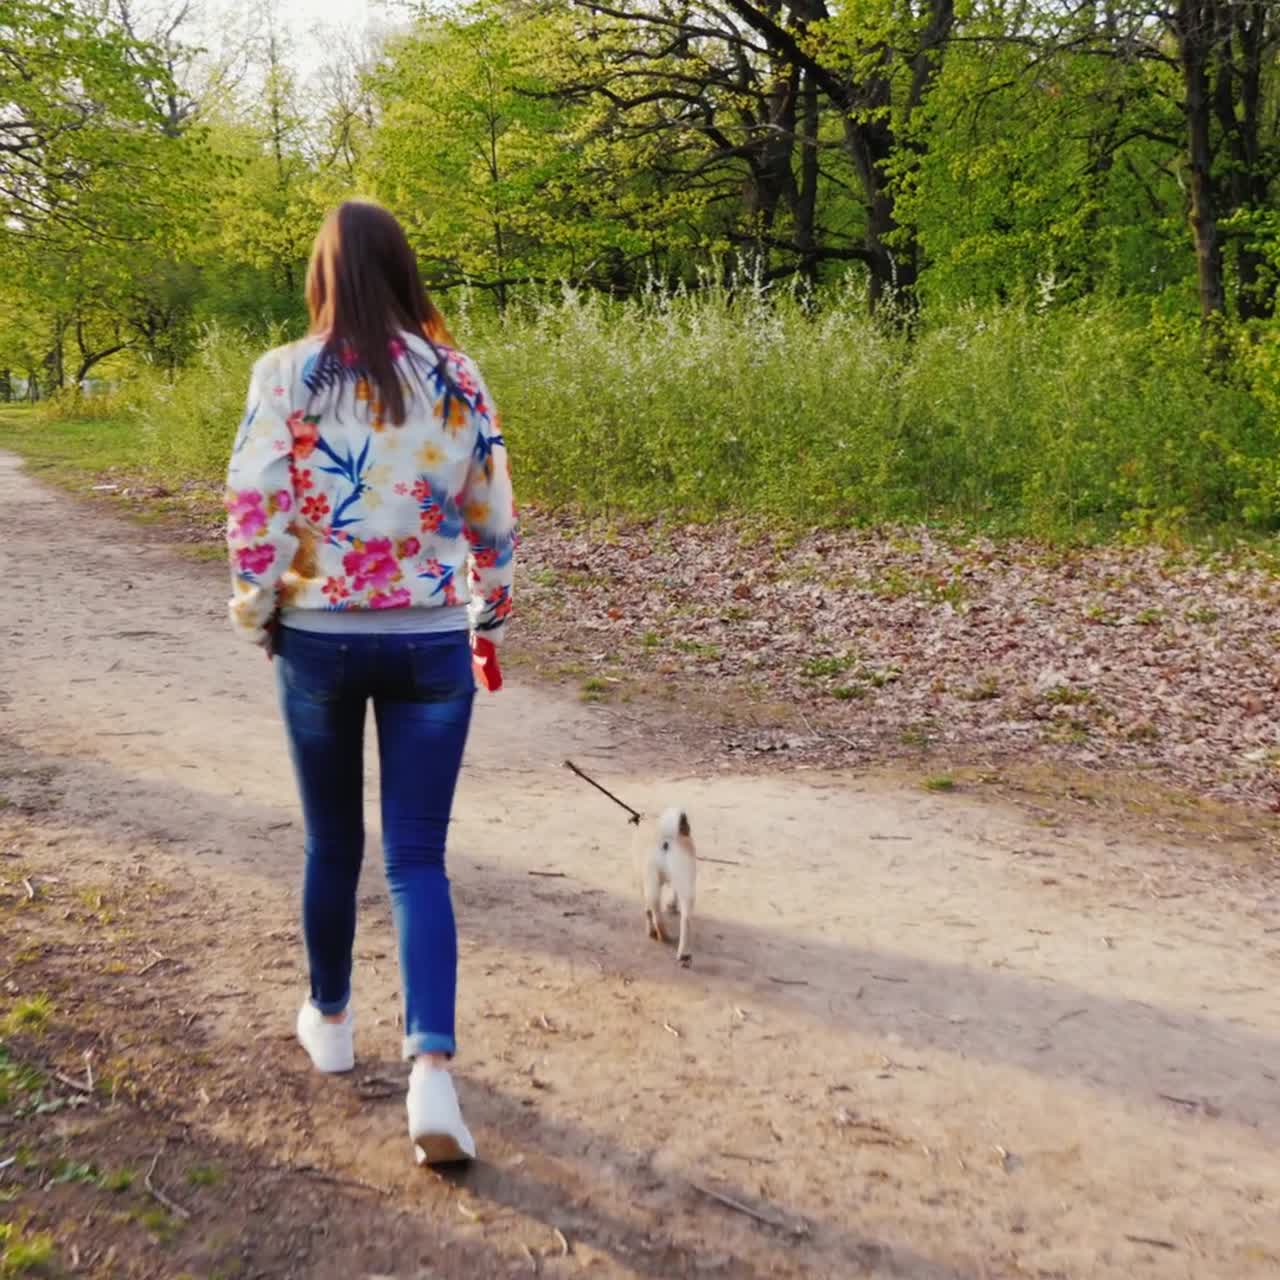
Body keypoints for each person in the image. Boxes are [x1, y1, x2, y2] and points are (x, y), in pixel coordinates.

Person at [223, 200, 516, 1165]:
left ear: (324, 273)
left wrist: (263, 609)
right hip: (431, 637)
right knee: (418, 858)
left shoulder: (286, 375)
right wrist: (489, 608)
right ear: (404, 269)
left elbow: (256, 504)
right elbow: (491, 512)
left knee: (333, 843)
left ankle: (334, 1022)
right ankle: (432, 1069)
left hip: (320, 635)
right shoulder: (458, 374)